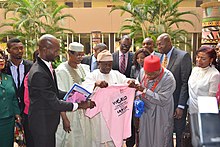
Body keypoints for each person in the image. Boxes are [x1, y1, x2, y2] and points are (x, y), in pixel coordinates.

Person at [28, 34, 95, 147]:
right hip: (42, 124)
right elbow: (53, 102)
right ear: (45, 49)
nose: (58, 54)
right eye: (56, 51)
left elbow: (55, 92)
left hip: (48, 122)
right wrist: (79, 105)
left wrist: (77, 96)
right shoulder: (38, 73)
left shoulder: (47, 66)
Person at [82, 50, 136, 147]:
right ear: (99, 64)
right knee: (96, 140)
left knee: (113, 139)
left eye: (110, 64)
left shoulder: (116, 74)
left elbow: (126, 80)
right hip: (98, 116)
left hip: (114, 115)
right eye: (105, 64)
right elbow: (84, 90)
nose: (108, 67)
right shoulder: (93, 75)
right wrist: (95, 84)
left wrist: (130, 82)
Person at [131, 55, 176, 147]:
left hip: (161, 113)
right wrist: (134, 86)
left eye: (151, 74)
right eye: (146, 73)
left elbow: (162, 99)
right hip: (146, 113)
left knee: (160, 139)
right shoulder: (143, 71)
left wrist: (144, 90)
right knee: (145, 138)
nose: (147, 76)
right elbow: (137, 84)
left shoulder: (168, 78)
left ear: (158, 70)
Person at [157, 33, 192, 147]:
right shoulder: (158, 57)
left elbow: (184, 82)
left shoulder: (183, 56)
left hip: (177, 103)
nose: (158, 47)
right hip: (162, 103)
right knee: (165, 132)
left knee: (178, 131)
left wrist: (181, 106)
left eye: (160, 44)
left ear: (169, 42)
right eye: (157, 45)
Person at [55, 42, 92, 147]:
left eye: (82, 54)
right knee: (70, 141)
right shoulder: (61, 71)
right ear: (69, 54)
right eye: (77, 55)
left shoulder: (84, 68)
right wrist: (65, 118)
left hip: (83, 112)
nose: (80, 57)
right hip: (68, 113)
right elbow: (59, 97)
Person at [6, 38, 33, 146]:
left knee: (30, 139)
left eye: (21, 48)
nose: (19, 51)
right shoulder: (4, 67)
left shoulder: (31, 66)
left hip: (27, 111)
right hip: (9, 111)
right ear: (8, 51)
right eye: (15, 48)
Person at [112, 35, 135, 147]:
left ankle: (130, 143)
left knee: (129, 121)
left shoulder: (134, 57)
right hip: (115, 97)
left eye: (128, 46)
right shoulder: (112, 57)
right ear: (119, 43)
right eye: (123, 45)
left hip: (130, 97)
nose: (126, 47)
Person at [188, 46, 220, 115]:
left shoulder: (214, 74)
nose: (199, 60)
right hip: (191, 108)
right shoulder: (195, 70)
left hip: (204, 111)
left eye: (203, 59)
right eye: (198, 57)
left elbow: (211, 98)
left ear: (211, 60)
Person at [0, 50, 21, 147]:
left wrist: (17, 114)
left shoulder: (8, 78)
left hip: (9, 120)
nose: (1, 60)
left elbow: (13, 98)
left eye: (2, 58)